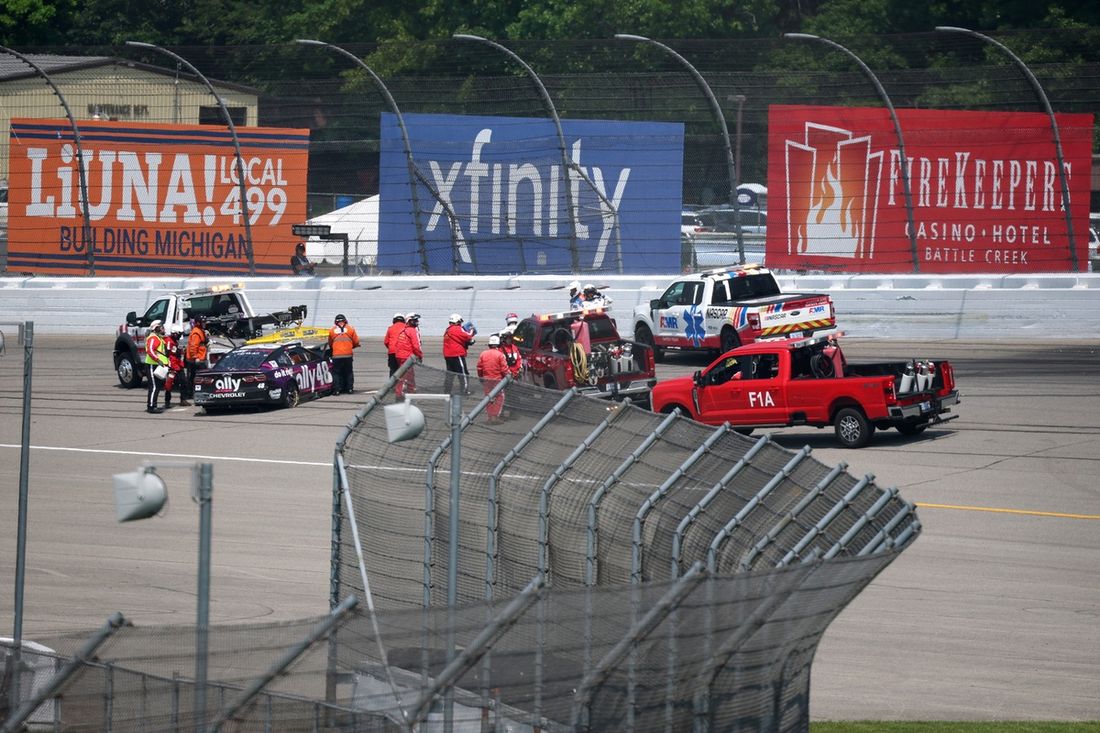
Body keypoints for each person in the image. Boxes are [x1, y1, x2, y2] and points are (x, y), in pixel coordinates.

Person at [477, 333, 510, 423]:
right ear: (498, 344)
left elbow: (479, 367)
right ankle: (495, 416)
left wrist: (481, 377)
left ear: (489, 344)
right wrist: (508, 377)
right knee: (500, 397)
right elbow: (504, 369)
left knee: (489, 398)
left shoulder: (483, 354)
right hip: (497, 380)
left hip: (486, 379)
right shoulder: (500, 355)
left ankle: (489, 416)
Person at [443, 312, 476, 394]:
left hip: (448, 355)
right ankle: (464, 390)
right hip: (457, 355)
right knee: (463, 373)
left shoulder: (448, 330)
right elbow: (467, 336)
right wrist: (472, 329)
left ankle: (447, 391)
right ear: (457, 321)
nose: (461, 324)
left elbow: (459, 339)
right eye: (460, 322)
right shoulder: (457, 328)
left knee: (450, 374)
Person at [327, 313, 361, 394]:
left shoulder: (332, 330)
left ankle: (337, 390)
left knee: (336, 372)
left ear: (336, 322)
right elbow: (356, 342)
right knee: (349, 372)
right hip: (348, 355)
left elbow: (330, 343)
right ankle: (350, 389)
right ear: (345, 321)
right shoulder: (351, 329)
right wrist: (350, 346)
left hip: (336, 355)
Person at [393, 312, 423, 400]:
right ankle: (403, 394)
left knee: (405, 375)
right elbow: (416, 345)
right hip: (407, 357)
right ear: (409, 321)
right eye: (414, 320)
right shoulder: (412, 331)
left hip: (400, 356)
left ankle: (408, 391)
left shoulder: (403, 330)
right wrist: (420, 356)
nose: (416, 322)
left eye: (416, 320)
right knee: (407, 375)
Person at [143, 320, 170, 413]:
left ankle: (153, 404)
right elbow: (150, 350)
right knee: (154, 386)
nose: (164, 329)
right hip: (152, 365)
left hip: (158, 365)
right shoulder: (153, 338)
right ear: (157, 328)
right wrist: (157, 360)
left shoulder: (159, 338)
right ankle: (151, 406)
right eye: (162, 327)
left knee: (157, 386)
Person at [184, 316, 209, 403]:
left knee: (195, 376)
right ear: (198, 323)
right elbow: (193, 346)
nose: (205, 324)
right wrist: (196, 357)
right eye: (203, 322)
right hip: (196, 359)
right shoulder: (196, 333)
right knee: (194, 377)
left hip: (200, 357)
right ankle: (190, 393)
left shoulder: (200, 331)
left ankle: (193, 392)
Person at [163, 328, 189, 408]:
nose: (179, 336)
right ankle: (167, 401)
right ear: (174, 333)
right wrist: (179, 351)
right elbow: (169, 352)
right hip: (172, 365)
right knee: (169, 384)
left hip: (178, 364)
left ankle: (183, 399)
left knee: (184, 381)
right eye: (179, 334)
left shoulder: (175, 341)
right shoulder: (168, 340)